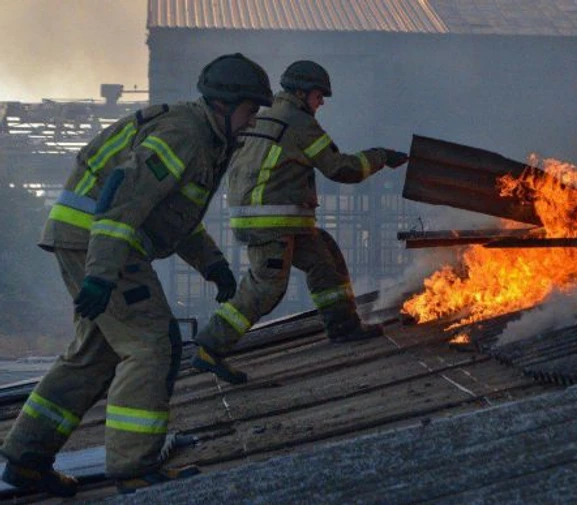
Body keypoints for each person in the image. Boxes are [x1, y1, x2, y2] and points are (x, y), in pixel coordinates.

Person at [0, 53, 273, 497]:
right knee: (152, 343)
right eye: (250, 110)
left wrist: (213, 264)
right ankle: (133, 466)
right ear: (223, 105)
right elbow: (122, 202)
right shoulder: (185, 134)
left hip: (88, 238)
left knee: (93, 355)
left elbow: (170, 214)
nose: (252, 121)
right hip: (100, 240)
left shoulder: (208, 138)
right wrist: (101, 275)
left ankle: (26, 458)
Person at [191, 60, 408, 385]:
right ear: (302, 93)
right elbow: (340, 169)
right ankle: (210, 345)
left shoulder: (266, 118)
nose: (321, 103)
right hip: (270, 223)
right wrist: (382, 156)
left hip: (277, 220)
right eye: (320, 96)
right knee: (267, 286)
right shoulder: (299, 123)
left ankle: (344, 326)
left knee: (323, 256)